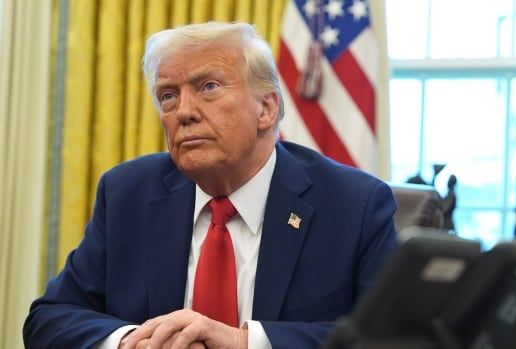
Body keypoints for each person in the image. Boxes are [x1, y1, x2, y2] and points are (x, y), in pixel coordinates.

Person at [23, 22, 398, 349]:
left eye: (209, 87)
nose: (184, 111)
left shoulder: (354, 205)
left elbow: (389, 339)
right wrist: (130, 341)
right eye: (168, 95)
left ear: (266, 109)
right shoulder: (127, 193)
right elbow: (49, 319)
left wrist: (243, 342)